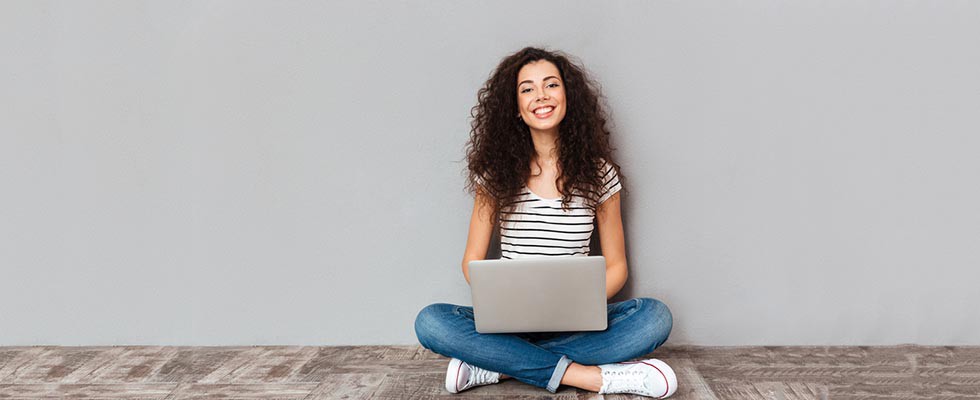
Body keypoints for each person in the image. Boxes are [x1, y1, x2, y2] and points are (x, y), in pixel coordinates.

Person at [414, 47, 676, 398]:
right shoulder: (495, 177)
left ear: (568, 97)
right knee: (430, 322)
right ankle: (590, 377)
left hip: (577, 324)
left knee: (655, 317)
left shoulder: (600, 175)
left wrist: (575, 302)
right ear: (516, 108)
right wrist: (507, 300)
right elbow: (471, 262)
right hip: (509, 326)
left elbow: (616, 267)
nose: (541, 96)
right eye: (527, 89)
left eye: (551, 85)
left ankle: (497, 367)